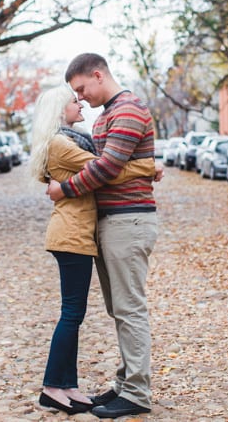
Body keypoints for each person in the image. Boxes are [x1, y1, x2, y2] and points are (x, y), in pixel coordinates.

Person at [30, 84, 155, 416]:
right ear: (60, 109)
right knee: (72, 314)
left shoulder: (67, 140)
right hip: (72, 236)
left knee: (75, 314)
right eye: (75, 101)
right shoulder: (61, 144)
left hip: (77, 235)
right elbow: (106, 170)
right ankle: (53, 387)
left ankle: (65, 385)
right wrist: (148, 167)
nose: (81, 104)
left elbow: (100, 167)